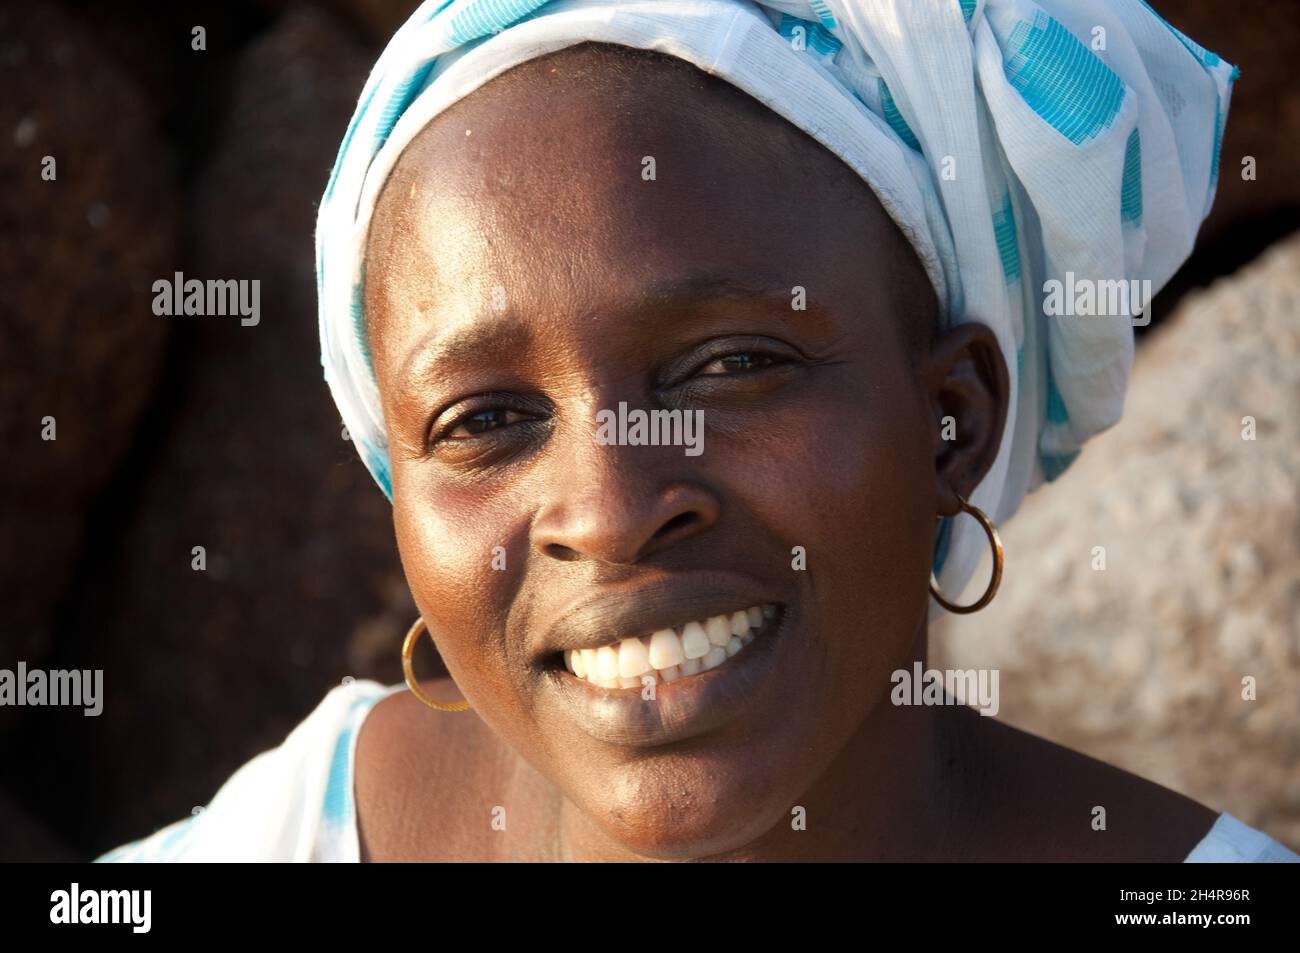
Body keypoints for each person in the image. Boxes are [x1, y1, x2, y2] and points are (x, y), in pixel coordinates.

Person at [96, 0, 1298, 862]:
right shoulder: (291, 836)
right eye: (487, 419)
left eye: (729, 365)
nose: (613, 508)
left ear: (951, 422)